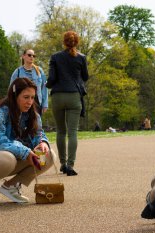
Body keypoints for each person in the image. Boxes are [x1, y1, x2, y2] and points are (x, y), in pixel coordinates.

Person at [0, 78, 54, 207]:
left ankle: (11, 187)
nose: (30, 102)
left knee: (49, 155)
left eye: (32, 97)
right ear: (15, 96)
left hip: (12, 158)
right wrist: (25, 151)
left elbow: (39, 133)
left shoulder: (33, 115)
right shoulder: (1, 112)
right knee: (7, 158)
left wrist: (42, 143)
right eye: (26, 97)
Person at [47, 31, 89, 176]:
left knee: (60, 131)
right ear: (76, 42)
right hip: (74, 96)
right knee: (72, 132)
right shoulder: (81, 58)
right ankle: (70, 165)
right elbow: (85, 77)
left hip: (58, 95)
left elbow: (51, 79)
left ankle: (63, 163)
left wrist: (47, 84)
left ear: (63, 42)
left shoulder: (55, 57)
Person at [10, 49, 48, 116]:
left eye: (34, 56)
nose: (32, 57)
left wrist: (45, 105)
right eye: (29, 55)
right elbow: (11, 89)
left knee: (37, 124)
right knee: (21, 124)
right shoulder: (17, 72)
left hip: (37, 103)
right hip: (22, 103)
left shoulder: (39, 70)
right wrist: (12, 104)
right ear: (23, 56)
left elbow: (44, 88)